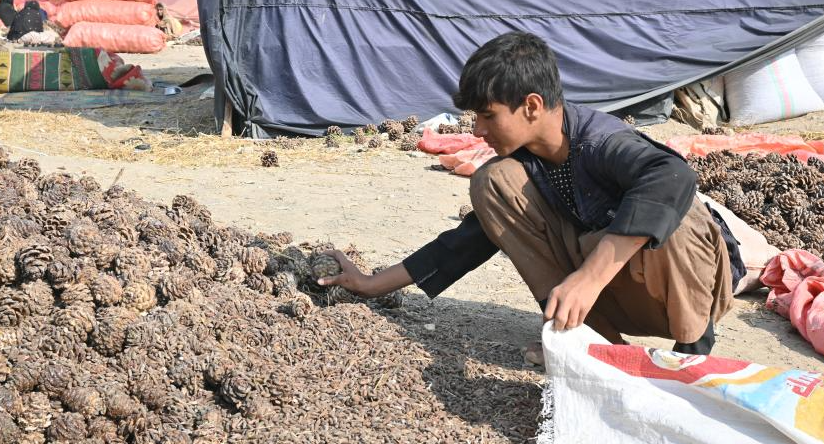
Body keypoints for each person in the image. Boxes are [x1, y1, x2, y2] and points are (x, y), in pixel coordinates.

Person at [318, 32, 744, 361]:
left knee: (673, 207)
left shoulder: (600, 141)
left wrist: (589, 277)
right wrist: (372, 284)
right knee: (492, 181)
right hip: (614, 295)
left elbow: (673, 175)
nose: (479, 130)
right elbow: (468, 241)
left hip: (690, 293)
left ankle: (691, 359)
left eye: (488, 116)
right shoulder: (525, 162)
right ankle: (596, 348)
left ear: (532, 106)